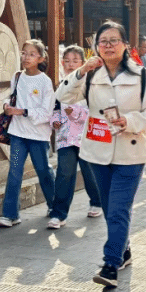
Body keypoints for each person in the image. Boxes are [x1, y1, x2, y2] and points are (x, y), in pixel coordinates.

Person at [56, 21, 146, 288]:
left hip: (131, 152)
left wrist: (130, 121)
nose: (108, 45)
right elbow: (62, 96)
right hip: (97, 152)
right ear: (96, 47)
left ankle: (110, 265)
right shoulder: (91, 75)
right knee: (108, 208)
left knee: (118, 210)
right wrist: (81, 70)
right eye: (102, 41)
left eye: (114, 40)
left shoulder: (142, 76)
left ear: (125, 45)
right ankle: (123, 250)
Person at [0, 39, 56, 227]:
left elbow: (47, 112)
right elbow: (10, 96)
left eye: (31, 54)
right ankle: (10, 215)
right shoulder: (17, 76)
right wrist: (6, 106)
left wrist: (22, 111)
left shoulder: (45, 81)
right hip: (17, 133)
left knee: (43, 171)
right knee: (14, 172)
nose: (26, 57)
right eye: (24, 53)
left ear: (41, 58)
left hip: (38, 135)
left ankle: (55, 207)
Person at [47, 46, 102, 229]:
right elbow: (55, 107)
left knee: (89, 172)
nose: (70, 64)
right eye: (67, 61)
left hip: (85, 136)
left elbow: (94, 110)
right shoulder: (62, 84)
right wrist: (55, 121)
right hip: (65, 137)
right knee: (64, 173)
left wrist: (75, 113)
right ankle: (59, 214)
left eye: (75, 61)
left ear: (83, 63)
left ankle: (97, 202)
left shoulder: (90, 84)